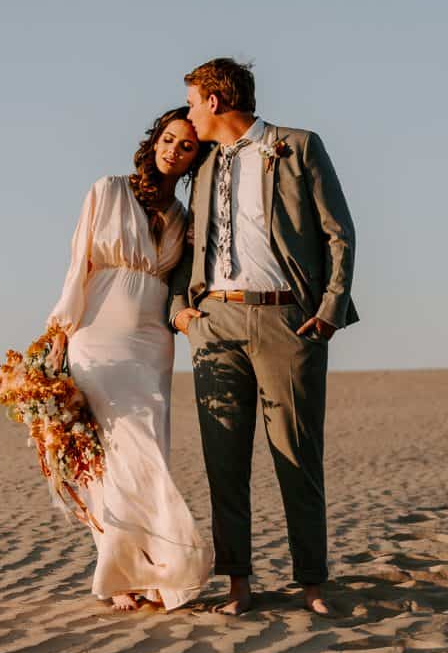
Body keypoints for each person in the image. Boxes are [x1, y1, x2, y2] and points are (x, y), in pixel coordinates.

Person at [169, 58, 359, 616]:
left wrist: (329, 310)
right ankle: (238, 587)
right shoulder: (202, 165)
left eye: (192, 102)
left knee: (297, 458)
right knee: (223, 463)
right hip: (214, 326)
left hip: (288, 322)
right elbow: (188, 243)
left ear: (217, 101)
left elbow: (338, 232)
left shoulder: (297, 147)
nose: (188, 114)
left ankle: (313, 585)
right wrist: (182, 308)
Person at [47, 107, 214, 611]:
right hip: (98, 335)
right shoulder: (108, 189)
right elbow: (80, 264)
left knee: (149, 450)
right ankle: (122, 571)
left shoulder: (185, 218)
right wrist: (59, 331)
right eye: (168, 139)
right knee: (115, 452)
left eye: (186, 146)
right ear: (154, 140)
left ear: (193, 159)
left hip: (152, 343)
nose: (174, 151)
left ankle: (155, 569)